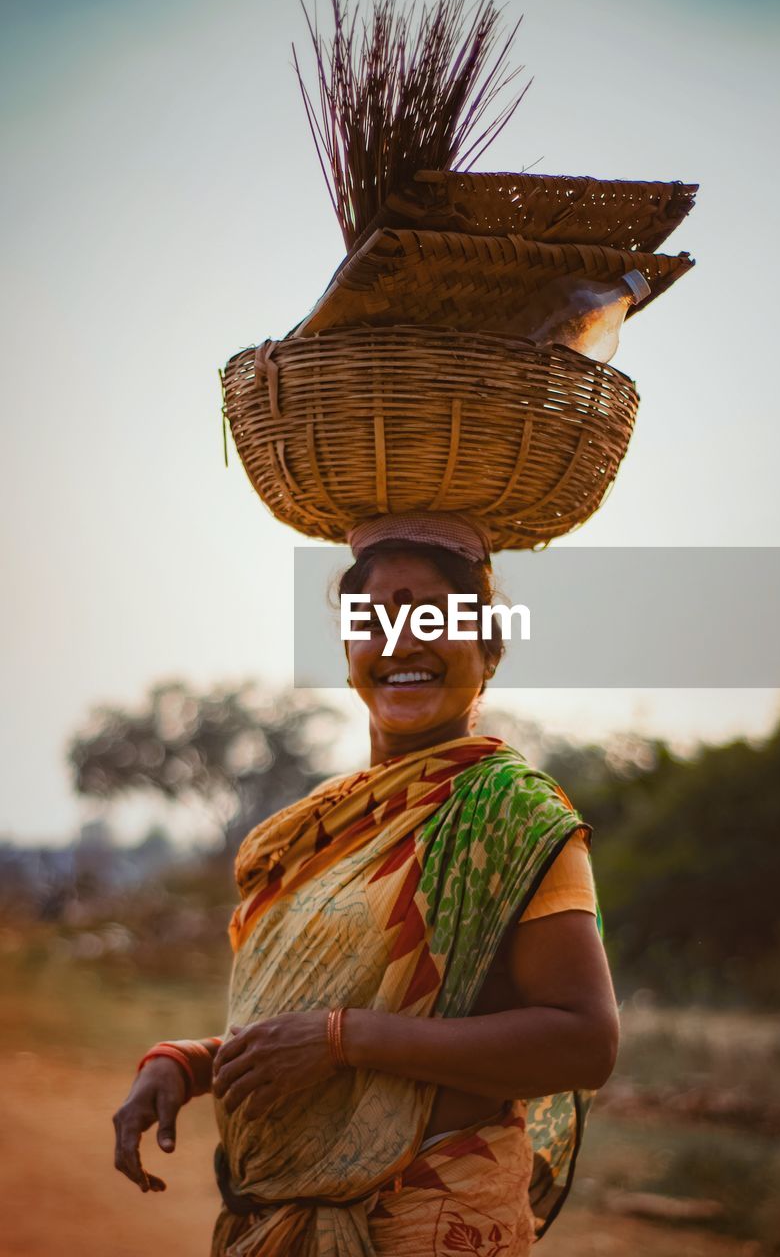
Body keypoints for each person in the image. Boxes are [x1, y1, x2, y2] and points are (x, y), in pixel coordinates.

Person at [113, 511, 620, 1255]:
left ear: (488, 647)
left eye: (434, 617)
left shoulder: (507, 813)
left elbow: (584, 1043)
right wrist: (192, 1063)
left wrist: (342, 1040)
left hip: (428, 1228)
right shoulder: (324, 825)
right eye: (373, 620)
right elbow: (314, 1028)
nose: (402, 642)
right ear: (348, 649)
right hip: (275, 1226)